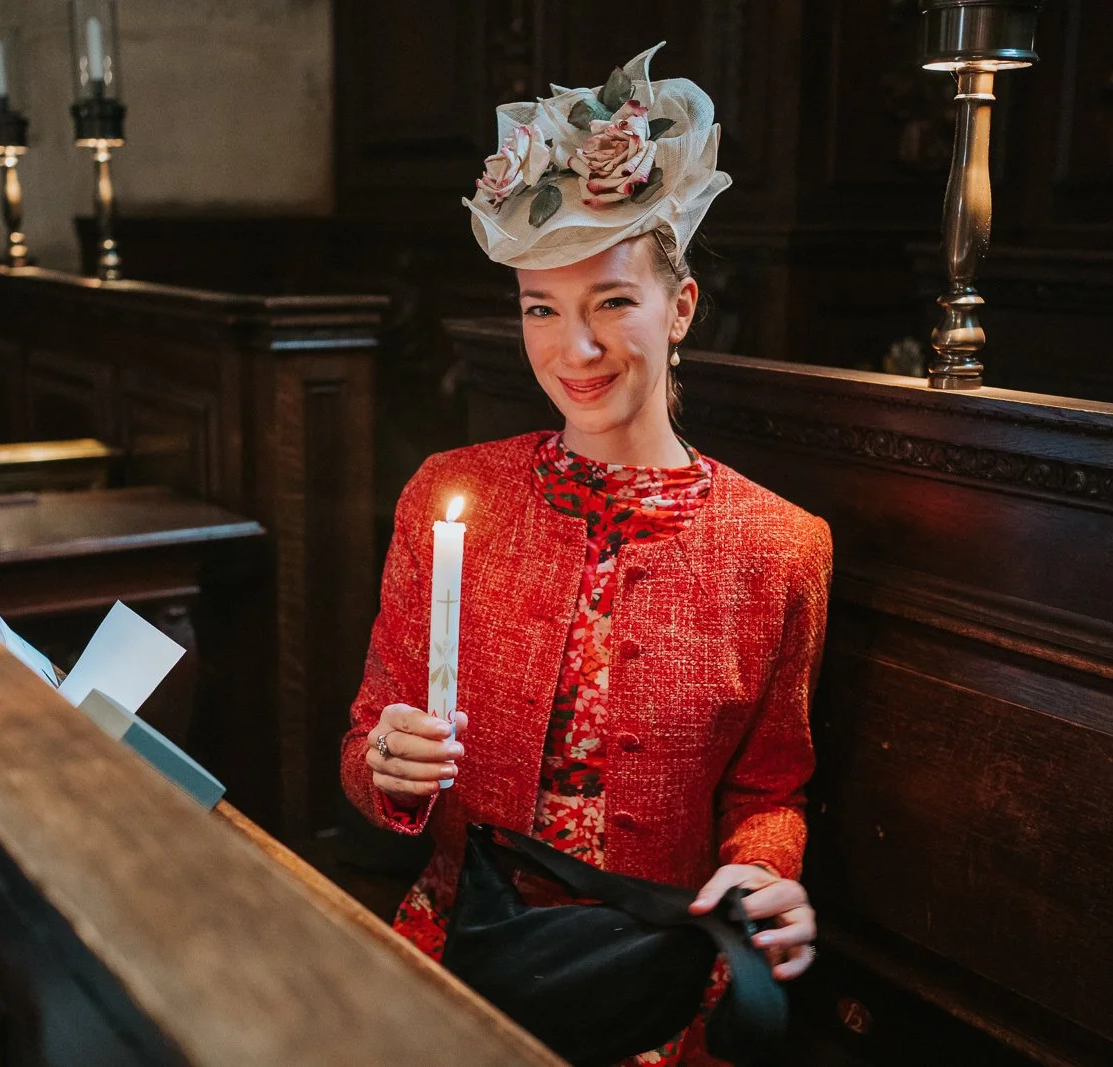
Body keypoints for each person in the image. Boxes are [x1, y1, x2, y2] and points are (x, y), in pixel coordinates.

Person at [340, 43, 831, 1066]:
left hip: (655, 975)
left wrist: (762, 871)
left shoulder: (782, 547)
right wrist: (387, 763)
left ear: (680, 307)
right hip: (464, 951)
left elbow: (767, 791)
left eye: (612, 300)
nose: (576, 349)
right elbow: (367, 745)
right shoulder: (448, 493)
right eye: (541, 308)